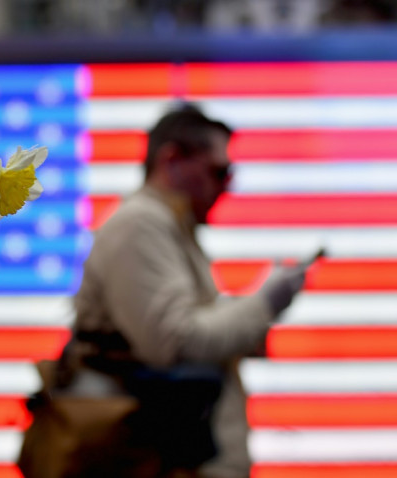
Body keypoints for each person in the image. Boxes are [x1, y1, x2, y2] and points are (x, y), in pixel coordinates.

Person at [58, 104, 305, 477]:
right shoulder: (141, 224)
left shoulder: (167, 225)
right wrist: (264, 303)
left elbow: (185, 327)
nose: (227, 184)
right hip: (155, 459)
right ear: (171, 160)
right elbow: (177, 342)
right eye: (219, 171)